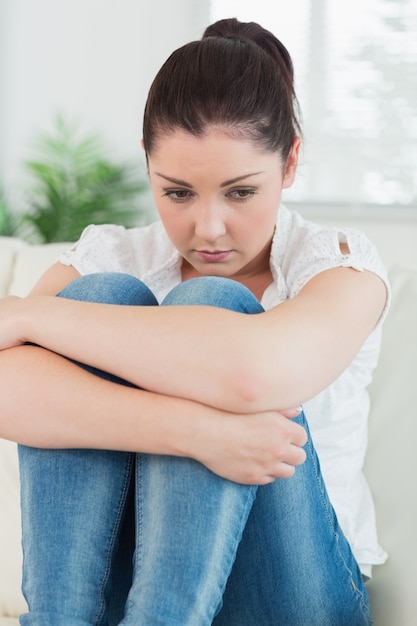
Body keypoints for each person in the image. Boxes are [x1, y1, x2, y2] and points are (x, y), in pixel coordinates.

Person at [0, 17, 388, 626]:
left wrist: (29, 316)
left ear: (289, 163)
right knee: (103, 293)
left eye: (239, 192)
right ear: (149, 166)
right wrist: (197, 434)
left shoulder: (336, 266)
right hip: (118, 590)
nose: (207, 229)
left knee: (210, 305)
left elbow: (253, 374)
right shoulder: (113, 256)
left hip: (291, 591)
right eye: (178, 192)